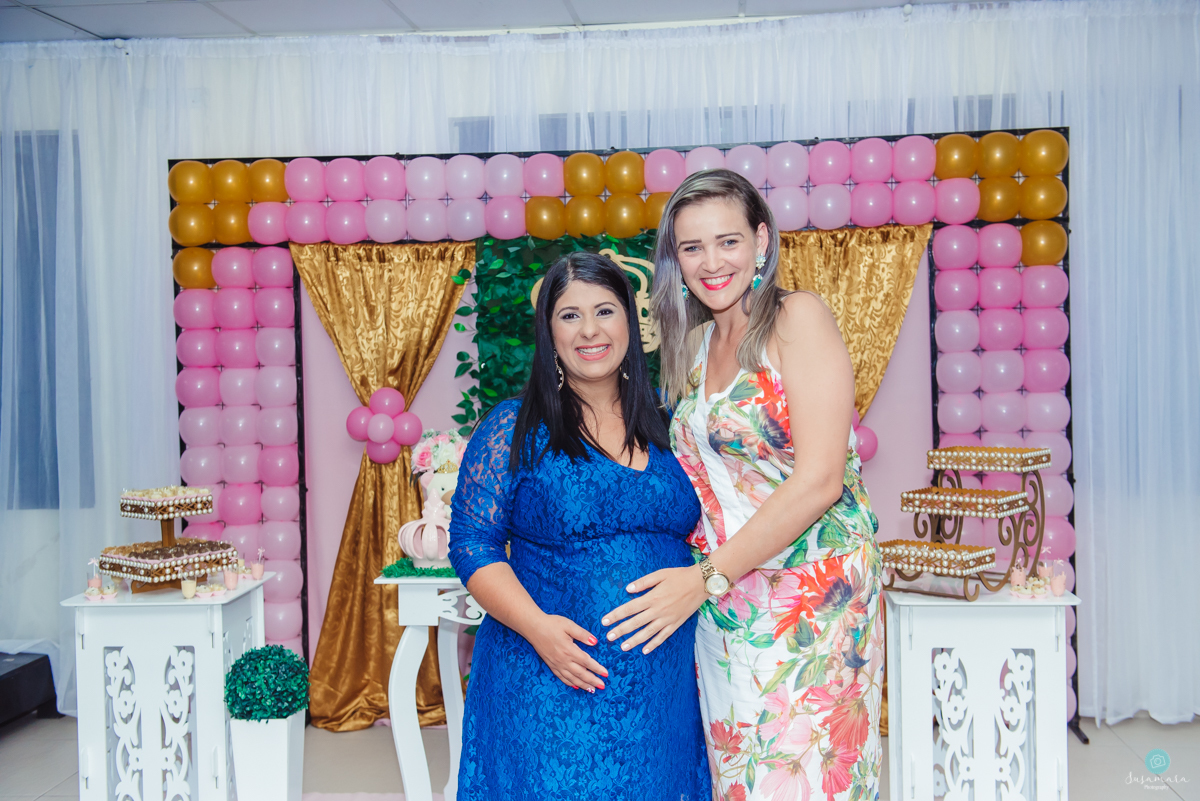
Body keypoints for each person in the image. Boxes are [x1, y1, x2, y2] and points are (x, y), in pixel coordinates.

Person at [602, 169, 884, 801]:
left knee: (802, 779)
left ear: (761, 240)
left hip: (813, 596)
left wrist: (706, 577)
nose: (711, 262)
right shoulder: (695, 345)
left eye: (727, 241)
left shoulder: (796, 318)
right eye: (692, 247)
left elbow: (820, 480)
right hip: (724, 600)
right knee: (739, 777)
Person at [448, 251, 711, 800]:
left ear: (630, 323)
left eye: (605, 311)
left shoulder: (672, 426)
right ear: (549, 332)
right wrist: (540, 631)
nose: (590, 330)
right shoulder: (514, 427)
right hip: (548, 682)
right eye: (570, 315)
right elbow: (473, 543)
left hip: (660, 696)